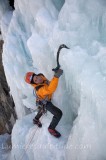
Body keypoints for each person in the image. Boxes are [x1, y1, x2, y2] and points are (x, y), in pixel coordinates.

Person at [25, 69, 63, 138]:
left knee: (42, 110)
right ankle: (51, 128)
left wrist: (55, 75)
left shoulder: (41, 75)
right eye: (36, 81)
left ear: (36, 74)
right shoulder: (40, 89)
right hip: (44, 101)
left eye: (36, 77)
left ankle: (35, 120)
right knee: (58, 113)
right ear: (34, 83)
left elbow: (48, 83)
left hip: (40, 99)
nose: (38, 79)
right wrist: (56, 76)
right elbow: (50, 89)